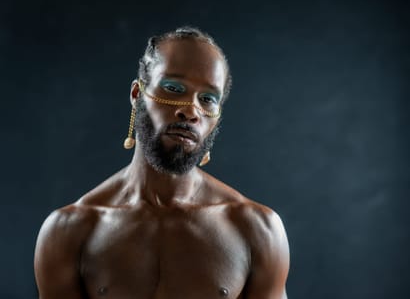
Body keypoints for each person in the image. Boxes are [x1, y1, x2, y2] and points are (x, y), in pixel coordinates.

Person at [34, 27, 290, 299]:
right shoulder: (70, 230)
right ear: (136, 94)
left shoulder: (257, 229)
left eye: (208, 99)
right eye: (173, 88)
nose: (191, 110)